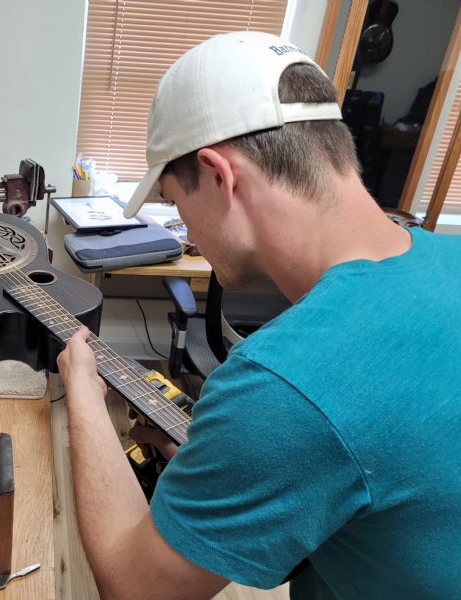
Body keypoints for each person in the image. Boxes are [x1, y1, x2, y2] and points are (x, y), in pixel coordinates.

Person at [56, 31, 461, 600]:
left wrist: (83, 396)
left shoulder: (283, 383)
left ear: (219, 176)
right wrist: (233, 468)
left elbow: (134, 587)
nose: (185, 229)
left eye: (174, 203)